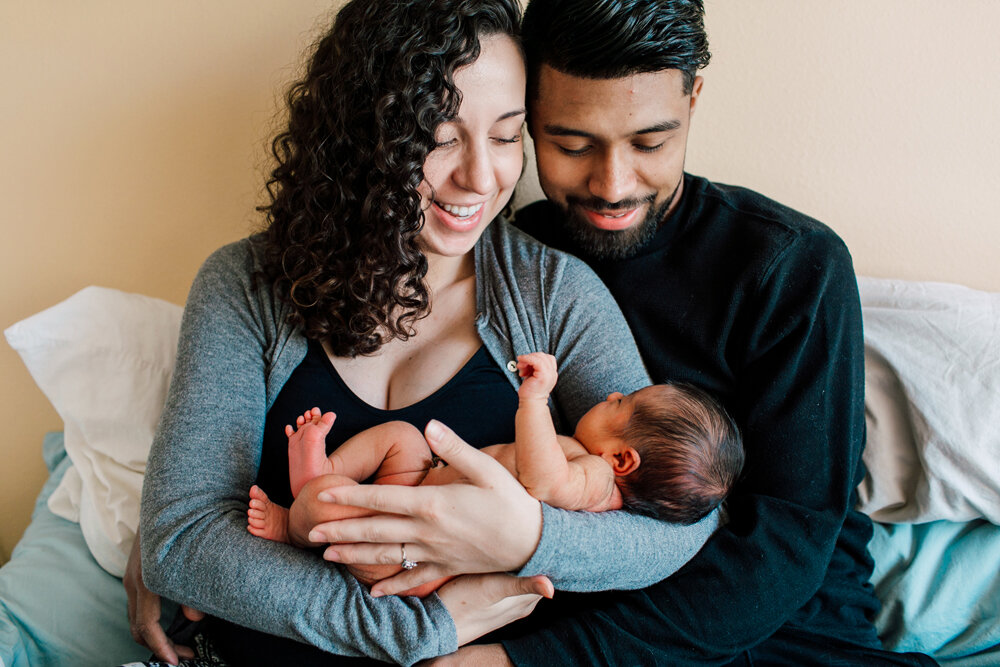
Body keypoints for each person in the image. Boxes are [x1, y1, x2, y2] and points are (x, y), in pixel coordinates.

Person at [305, 1, 940, 665]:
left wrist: (525, 661)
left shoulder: (789, 265)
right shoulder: (512, 261)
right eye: (572, 144)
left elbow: (784, 544)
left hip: (782, 640)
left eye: (649, 142)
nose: (612, 184)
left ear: (693, 97)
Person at [124, 1, 720, 665]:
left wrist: (526, 538)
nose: (480, 177)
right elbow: (181, 540)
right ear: (363, 133)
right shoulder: (247, 284)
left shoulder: (554, 294)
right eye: (440, 134)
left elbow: (674, 527)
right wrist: (416, 626)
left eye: (504, 136)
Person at [245, 352, 742, 577]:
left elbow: (544, 481)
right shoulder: (593, 462)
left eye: (622, 403)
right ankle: (325, 468)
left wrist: (535, 400)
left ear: (622, 459)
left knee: (333, 515)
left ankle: (296, 520)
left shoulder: (593, 478)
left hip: (414, 541)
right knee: (401, 437)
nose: (612, 393)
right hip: (421, 486)